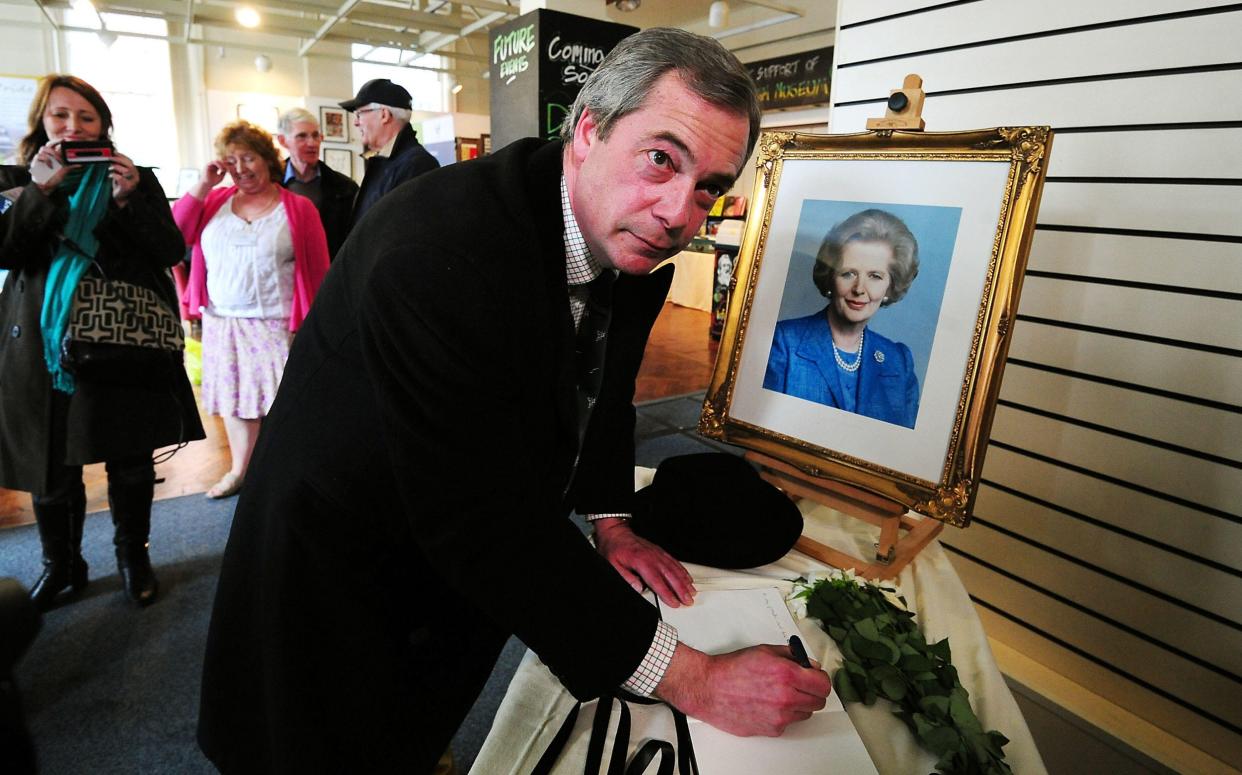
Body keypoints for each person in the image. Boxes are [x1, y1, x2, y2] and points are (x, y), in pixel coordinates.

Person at [197, 27, 831, 774]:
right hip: (339, 575)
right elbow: (480, 519)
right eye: (662, 157)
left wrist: (609, 517)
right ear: (589, 128)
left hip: (447, 583)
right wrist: (696, 677)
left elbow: (606, 390)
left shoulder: (627, 236)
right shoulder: (440, 252)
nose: (679, 212)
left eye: (708, 188)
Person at [0, 75, 204, 609]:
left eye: (86, 118)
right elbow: (7, 250)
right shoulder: (17, 179)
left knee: (131, 460)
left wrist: (128, 201)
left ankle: (132, 556)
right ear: (42, 120)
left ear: (104, 126)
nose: (73, 126)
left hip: (119, 342)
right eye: (61, 115)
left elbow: (169, 250)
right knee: (50, 466)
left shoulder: (134, 179)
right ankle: (61, 565)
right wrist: (40, 191)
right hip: (41, 349)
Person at [172, 121, 329, 499]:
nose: (240, 167)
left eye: (248, 158)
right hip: (222, 321)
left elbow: (320, 267)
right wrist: (205, 184)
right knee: (234, 400)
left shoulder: (299, 208)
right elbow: (174, 234)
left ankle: (290, 473)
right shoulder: (213, 202)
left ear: (266, 159)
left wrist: (310, 322)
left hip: (276, 321)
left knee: (285, 402)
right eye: (232, 160)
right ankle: (242, 471)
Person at [763, 208, 922, 428]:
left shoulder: (899, 360)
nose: (859, 289)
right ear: (830, 278)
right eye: (848, 273)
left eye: (875, 276)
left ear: (890, 285)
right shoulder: (783, 343)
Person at [340, 78, 439, 224]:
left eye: (360, 114)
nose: (356, 122)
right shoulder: (389, 162)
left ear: (384, 115)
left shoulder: (416, 165)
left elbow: (406, 231)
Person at [275, 107, 358, 260]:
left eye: (315, 136)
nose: (312, 143)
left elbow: (353, 241)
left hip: (328, 273)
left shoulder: (345, 188)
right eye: (302, 136)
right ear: (283, 141)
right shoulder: (270, 185)